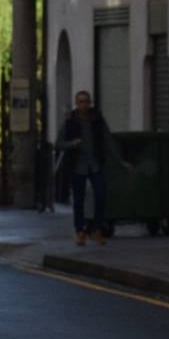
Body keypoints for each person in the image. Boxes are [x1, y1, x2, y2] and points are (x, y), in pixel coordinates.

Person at [54, 90, 127, 246]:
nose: (84, 105)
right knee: (78, 200)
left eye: (86, 102)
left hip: (95, 164)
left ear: (90, 103)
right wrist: (71, 144)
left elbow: (108, 141)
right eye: (80, 102)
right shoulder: (70, 122)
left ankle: (96, 230)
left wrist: (121, 161)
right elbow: (58, 144)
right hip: (77, 166)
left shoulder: (97, 120)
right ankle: (80, 231)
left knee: (101, 195)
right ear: (76, 104)